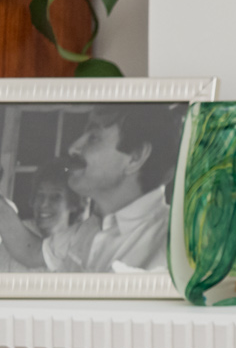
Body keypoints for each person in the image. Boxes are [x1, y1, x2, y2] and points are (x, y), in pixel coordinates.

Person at [0, 104, 183, 274]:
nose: (73, 148)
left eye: (93, 138)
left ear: (135, 157)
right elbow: (31, 252)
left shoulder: (178, 245)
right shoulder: (90, 229)